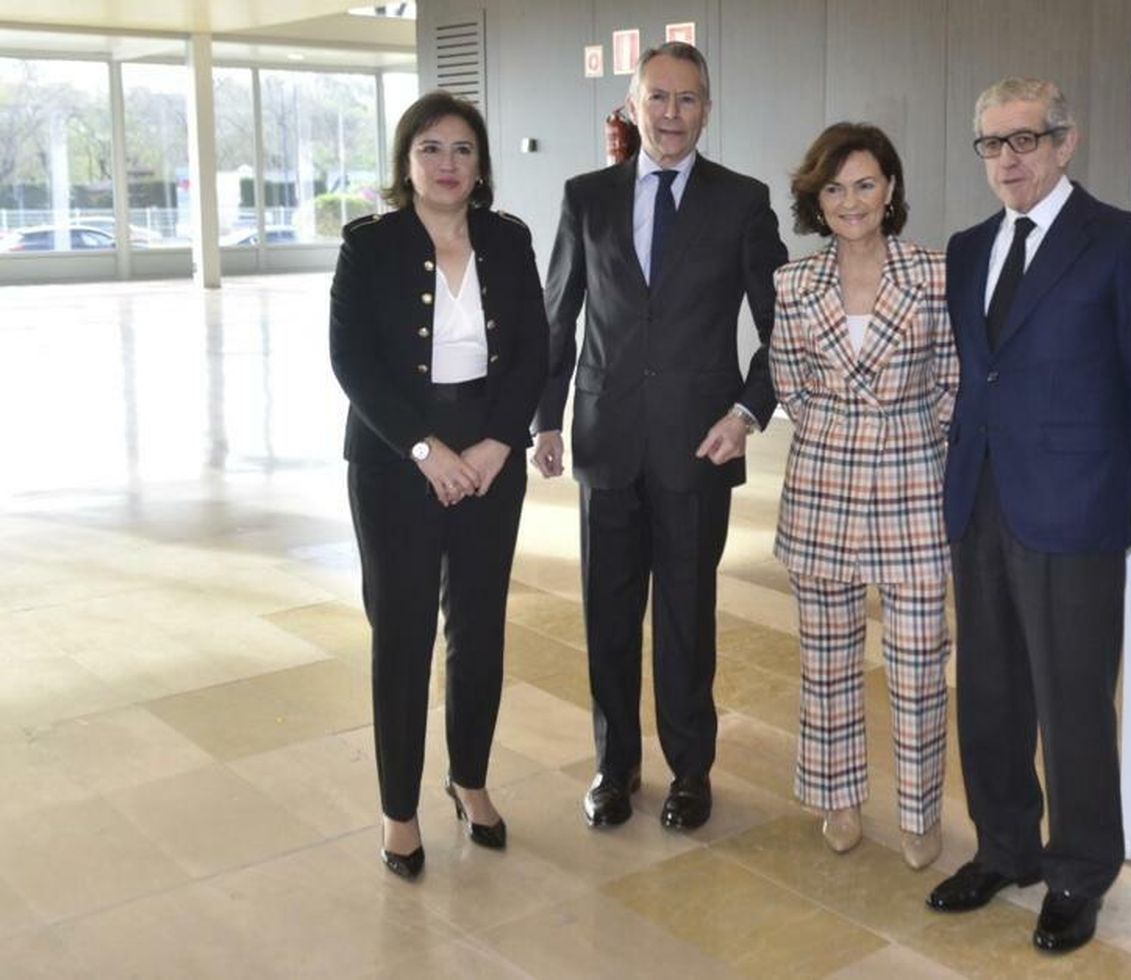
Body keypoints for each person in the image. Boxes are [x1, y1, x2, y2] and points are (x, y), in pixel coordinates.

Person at [925, 78, 1131, 954]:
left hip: (1078, 515)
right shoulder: (967, 248)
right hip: (981, 503)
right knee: (992, 693)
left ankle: (1079, 872)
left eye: (1026, 140)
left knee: (1073, 702)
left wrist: (1119, 500)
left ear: (1066, 143)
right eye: (992, 144)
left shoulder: (1119, 240)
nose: (1008, 159)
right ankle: (1006, 848)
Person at [531, 42, 787, 832]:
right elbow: (557, 315)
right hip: (607, 442)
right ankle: (614, 768)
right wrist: (545, 417)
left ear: (706, 110)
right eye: (657, 98)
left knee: (685, 618)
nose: (671, 114)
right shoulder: (586, 197)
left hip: (696, 448)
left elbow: (784, 327)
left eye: (687, 100)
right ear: (632, 106)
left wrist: (747, 413)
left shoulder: (742, 200)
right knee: (608, 618)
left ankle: (689, 771)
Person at [329, 90, 548, 879]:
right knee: (404, 632)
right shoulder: (370, 246)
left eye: (461, 149)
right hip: (394, 463)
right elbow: (352, 361)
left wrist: (496, 444)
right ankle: (398, 809)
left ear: (480, 164)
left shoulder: (508, 240)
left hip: (492, 458)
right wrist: (427, 450)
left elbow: (534, 350)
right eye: (431, 148)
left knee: (480, 627)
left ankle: (470, 779)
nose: (447, 163)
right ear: (406, 161)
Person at [770, 123, 958, 869]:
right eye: (835, 188)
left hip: (914, 487)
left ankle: (919, 813)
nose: (852, 201)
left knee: (919, 667)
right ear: (817, 199)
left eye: (866, 184)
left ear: (891, 190)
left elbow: (952, 381)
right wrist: (846, 435)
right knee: (828, 662)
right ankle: (840, 798)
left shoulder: (935, 274)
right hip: (822, 490)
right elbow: (790, 381)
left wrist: (902, 438)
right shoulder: (793, 282)